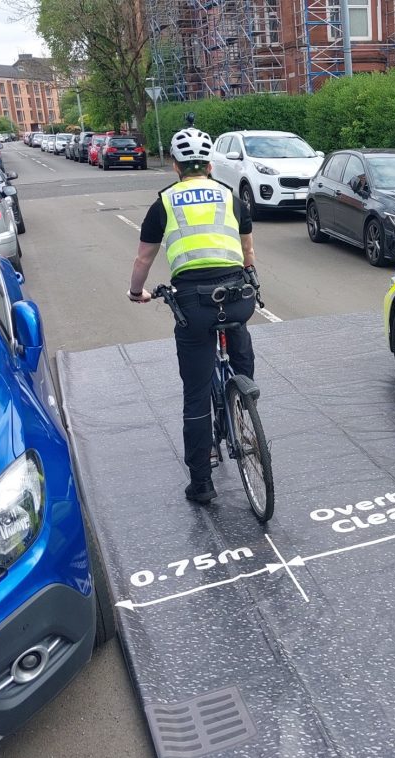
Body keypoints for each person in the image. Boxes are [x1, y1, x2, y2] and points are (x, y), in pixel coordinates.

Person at [126, 127, 258, 504]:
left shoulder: (164, 203)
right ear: (210, 165)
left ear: (176, 166)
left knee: (196, 394)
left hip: (194, 306)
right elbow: (248, 253)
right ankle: (244, 397)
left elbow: (143, 259)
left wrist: (137, 293)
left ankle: (201, 483)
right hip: (237, 296)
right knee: (239, 334)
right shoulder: (231, 198)